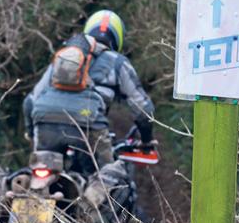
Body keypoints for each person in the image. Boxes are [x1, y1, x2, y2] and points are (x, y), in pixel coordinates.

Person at [23, 10, 155, 173]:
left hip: (45, 123)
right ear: (118, 39)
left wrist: (31, 132)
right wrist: (147, 139)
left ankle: (34, 196)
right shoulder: (118, 63)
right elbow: (143, 109)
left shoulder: (64, 58)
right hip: (89, 127)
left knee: (41, 177)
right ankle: (98, 197)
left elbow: (29, 102)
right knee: (109, 179)